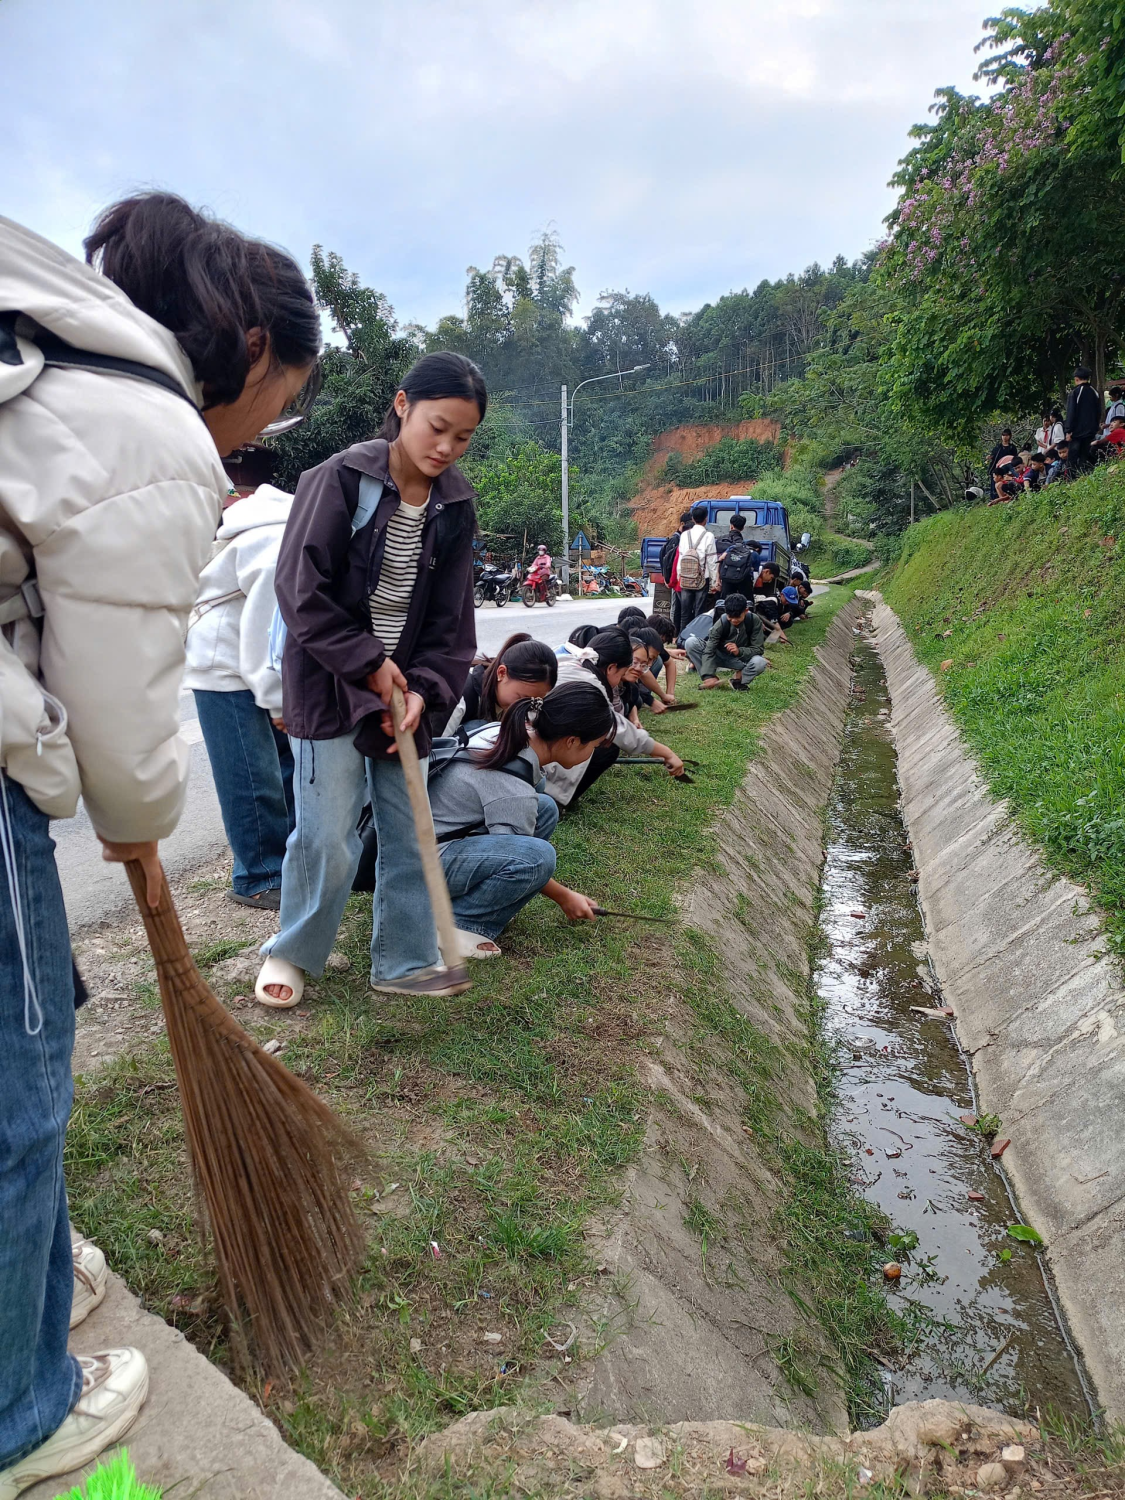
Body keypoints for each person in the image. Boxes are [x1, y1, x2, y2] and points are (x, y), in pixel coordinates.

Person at [0, 192, 319, 1497]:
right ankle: (21, 1411)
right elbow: (127, 721)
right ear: (250, 348)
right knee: (19, 1092)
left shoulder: (48, 359)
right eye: (281, 402)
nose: (264, 430)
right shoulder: (147, 425)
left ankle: (31, 1277)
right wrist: (134, 826)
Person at [255, 352, 486, 1011]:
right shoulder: (337, 479)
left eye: (463, 437)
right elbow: (301, 590)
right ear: (402, 404)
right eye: (437, 427)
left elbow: (451, 621)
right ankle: (292, 950)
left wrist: (423, 690)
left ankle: (403, 960)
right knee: (327, 834)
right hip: (331, 681)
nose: (446, 448)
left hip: (405, 690)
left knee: (411, 828)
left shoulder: (455, 505)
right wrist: (365, 662)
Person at [429, 682, 613, 957]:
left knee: (545, 808)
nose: (592, 754)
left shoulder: (509, 732)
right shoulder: (514, 788)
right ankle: (459, 923)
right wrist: (565, 897)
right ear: (572, 741)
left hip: (425, 839)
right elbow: (525, 859)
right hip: (420, 867)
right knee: (538, 858)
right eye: (594, 746)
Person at [184, 483, 295, 911]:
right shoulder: (277, 542)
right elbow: (263, 629)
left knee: (286, 766)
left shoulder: (292, 531)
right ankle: (258, 876)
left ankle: (287, 864)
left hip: (254, 662)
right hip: (224, 664)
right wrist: (278, 701)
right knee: (251, 776)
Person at [549, 629, 684, 807]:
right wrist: (667, 753)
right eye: (622, 673)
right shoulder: (591, 686)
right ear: (612, 667)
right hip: (541, 757)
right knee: (607, 745)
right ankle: (555, 799)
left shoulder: (571, 662)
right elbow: (620, 730)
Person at [444, 633, 557, 734]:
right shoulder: (458, 697)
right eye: (521, 698)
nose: (526, 708)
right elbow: (436, 745)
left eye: (534, 703)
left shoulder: (509, 696)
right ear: (501, 673)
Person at [699, 593, 769, 691]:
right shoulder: (721, 622)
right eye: (730, 617)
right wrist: (708, 675)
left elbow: (758, 649)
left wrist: (739, 651)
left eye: (737, 617)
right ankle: (711, 679)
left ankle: (737, 681)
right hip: (719, 656)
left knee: (760, 662)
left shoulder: (754, 620)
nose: (734, 620)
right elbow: (709, 650)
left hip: (740, 661)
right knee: (692, 643)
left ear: (746, 611)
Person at [676, 503, 718, 626]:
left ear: (693, 519)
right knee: (699, 612)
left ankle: (683, 635)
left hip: (686, 577)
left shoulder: (685, 535)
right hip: (702, 579)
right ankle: (696, 634)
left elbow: (681, 557)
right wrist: (714, 582)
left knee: (685, 612)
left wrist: (680, 575)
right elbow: (712, 560)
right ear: (706, 518)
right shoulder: (708, 536)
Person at [1066, 366, 1102, 475]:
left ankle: (1071, 479)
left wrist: (1068, 430)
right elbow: (1098, 412)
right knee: (1084, 457)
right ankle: (1084, 476)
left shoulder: (1075, 392)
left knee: (1072, 458)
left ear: (1076, 378)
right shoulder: (1094, 392)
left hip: (1077, 432)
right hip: (1090, 431)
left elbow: (1071, 412)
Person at [660, 510, 691, 634]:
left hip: (678, 579)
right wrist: (669, 579)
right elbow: (669, 562)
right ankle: (673, 632)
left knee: (679, 606)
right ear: (682, 524)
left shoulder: (682, 538)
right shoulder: (676, 540)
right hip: (675, 579)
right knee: (676, 606)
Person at [716, 513, 761, 597]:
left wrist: (717, 579)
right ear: (743, 528)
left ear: (731, 526)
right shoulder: (744, 547)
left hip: (724, 578)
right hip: (741, 579)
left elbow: (718, 560)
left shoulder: (719, 540)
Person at [987, 429, 1019, 498]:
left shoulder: (1012, 447)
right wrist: (990, 457)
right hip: (998, 467)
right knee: (994, 481)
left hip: (1008, 467)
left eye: (1006, 435)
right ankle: (993, 497)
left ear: (1010, 436)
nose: (1004, 437)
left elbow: (1014, 458)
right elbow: (993, 455)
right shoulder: (998, 447)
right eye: (1003, 435)